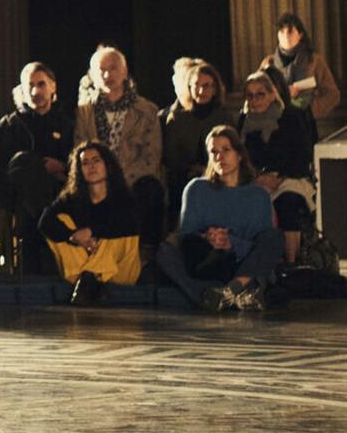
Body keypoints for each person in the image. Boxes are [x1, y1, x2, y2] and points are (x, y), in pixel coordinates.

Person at [157, 125, 283, 311]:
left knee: (274, 237)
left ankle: (230, 290)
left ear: (239, 155)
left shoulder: (258, 195)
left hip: (242, 267)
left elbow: (260, 246)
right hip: (207, 262)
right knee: (165, 250)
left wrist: (230, 243)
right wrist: (208, 238)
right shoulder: (196, 189)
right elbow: (185, 236)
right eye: (213, 152)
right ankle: (216, 297)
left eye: (226, 150)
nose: (219, 157)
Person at [73, 45, 164, 249]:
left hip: (134, 180)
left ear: (124, 71)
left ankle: (146, 254)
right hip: (96, 180)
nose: (107, 75)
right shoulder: (85, 112)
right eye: (101, 70)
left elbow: (151, 158)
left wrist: (120, 180)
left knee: (150, 189)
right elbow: (79, 151)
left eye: (113, 68)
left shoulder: (147, 110)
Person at [0, 62, 74, 275]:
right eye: (30, 85)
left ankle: (45, 224)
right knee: (23, 163)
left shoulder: (67, 124)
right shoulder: (9, 126)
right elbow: (3, 167)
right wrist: (39, 167)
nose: (35, 91)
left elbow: (75, 162)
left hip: (59, 191)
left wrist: (62, 166)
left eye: (41, 84)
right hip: (19, 195)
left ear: (53, 86)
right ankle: (47, 222)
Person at [38, 141, 141, 303]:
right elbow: (45, 221)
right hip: (81, 273)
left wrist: (91, 232)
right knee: (61, 219)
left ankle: (92, 277)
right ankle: (88, 279)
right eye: (85, 163)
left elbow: (129, 224)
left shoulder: (122, 196)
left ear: (107, 165)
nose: (91, 166)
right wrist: (73, 236)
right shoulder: (73, 198)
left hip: (117, 273)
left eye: (96, 160)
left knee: (124, 229)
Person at [239, 68, 315, 265]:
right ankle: (261, 262)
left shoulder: (290, 116)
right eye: (250, 95)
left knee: (287, 202)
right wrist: (257, 176)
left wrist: (279, 178)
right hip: (256, 179)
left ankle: (292, 263)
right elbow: (242, 158)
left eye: (260, 94)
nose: (255, 100)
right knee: (251, 203)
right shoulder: (244, 122)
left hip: (289, 177)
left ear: (272, 94)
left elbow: (301, 155)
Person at [160, 58, 236, 226]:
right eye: (197, 85)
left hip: (219, 172)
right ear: (189, 87)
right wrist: (191, 169)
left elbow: (232, 150)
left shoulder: (224, 117)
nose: (202, 90)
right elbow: (171, 156)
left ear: (215, 89)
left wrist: (209, 169)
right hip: (183, 176)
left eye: (207, 85)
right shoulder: (177, 118)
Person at [266, 11, 339, 132]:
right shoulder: (269, 63)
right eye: (282, 32)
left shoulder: (314, 61)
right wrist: (283, 94)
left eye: (290, 32)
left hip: (305, 125)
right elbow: (257, 93)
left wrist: (308, 111)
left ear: (300, 35)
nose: (286, 36)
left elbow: (332, 95)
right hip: (275, 125)